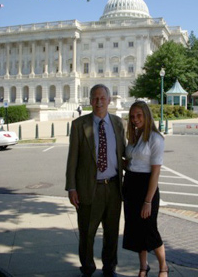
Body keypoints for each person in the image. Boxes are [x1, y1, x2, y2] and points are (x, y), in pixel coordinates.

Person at [65, 84, 126, 277]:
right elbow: (72, 158)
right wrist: (71, 188)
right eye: (95, 98)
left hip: (114, 188)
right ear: (90, 101)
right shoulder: (79, 125)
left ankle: (109, 268)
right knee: (87, 234)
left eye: (102, 98)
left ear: (109, 100)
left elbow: (123, 154)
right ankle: (88, 268)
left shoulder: (118, 123)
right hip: (88, 189)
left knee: (111, 233)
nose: (98, 102)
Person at [123, 101, 169, 277]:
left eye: (139, 115)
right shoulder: (134, 138)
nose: (135, 119)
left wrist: (148, 201)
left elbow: (155, 173)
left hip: (146, 188)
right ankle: (143, 267)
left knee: (150, 230)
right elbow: (131, 163)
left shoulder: (155, 139)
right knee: (136, 230)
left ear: (147, 115)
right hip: (131, 186)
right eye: (132, 116)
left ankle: (163, 266)